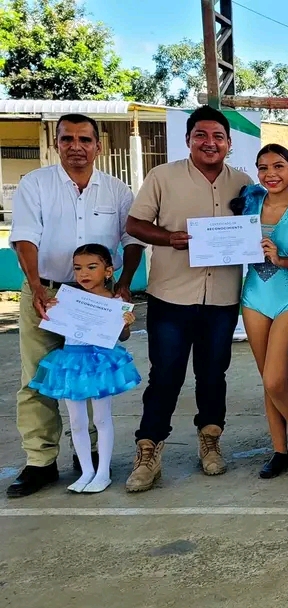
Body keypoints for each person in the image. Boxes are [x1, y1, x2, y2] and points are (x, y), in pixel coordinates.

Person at [7, 113, 144, 498]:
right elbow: (25, 237)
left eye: (85, 139)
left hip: (96, 299)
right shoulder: (36, 184)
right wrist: (37, 288)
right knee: (38, 377)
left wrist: (124, 285)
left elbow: (132, 240)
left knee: (93, 375)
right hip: (48, 293)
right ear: (57, 144)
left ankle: (94, 458)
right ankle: (41, 460)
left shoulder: (117, 190)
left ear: (98, 146)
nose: (76, 147)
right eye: (67, 139)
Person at [124, 105, 253, 492]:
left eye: (218, 137)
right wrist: (169, 238)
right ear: (188, 140)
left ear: (229, 143)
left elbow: (258, 226)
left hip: (222, 298)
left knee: (213, 374)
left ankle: (210, 440)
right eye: (201, 135)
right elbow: (135, 224)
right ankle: (148, 449)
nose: (210, 143)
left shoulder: (244, 183)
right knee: (165, 375)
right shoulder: (162, 176)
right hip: (170, 296)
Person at [231, 144, 288, 479]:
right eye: (263, 167)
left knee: (275, 378)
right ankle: (280, 450)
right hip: (254, 294)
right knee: (266, 378)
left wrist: (281, 259)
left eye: (279, 166)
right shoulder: (249, 203)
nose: (271, 174)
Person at [29, 244, 140, 493]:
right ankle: (86, 471)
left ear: (108, 271)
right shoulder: (68, 299)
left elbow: (122, 337)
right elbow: (56, 325)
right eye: (78, 268)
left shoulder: (116, 302)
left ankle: (102, 472)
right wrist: (53, 310)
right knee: (77, 421)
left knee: (101, 417)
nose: (84, 273)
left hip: (99, 363)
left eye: (91, 267)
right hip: (71, 362)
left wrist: (125, 323)